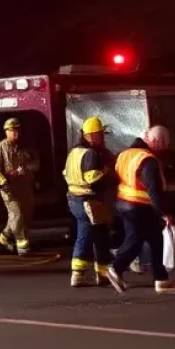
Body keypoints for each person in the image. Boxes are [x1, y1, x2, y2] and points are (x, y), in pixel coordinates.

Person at [107, 126, 175, 294]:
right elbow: (153, 189)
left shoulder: (125, 154)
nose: (165, 148)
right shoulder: (147, 159)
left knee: (156, 240)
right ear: (156, 141)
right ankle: (116, 268)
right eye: (163, 144)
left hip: (123, 203)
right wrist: (164, 212)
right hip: (139, 206)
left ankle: (161, 279)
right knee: (136, 240)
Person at [63, 116, 116, 288]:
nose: (103, 138)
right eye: (100, 134)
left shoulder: (74, 152)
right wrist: (108, 175)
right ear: (92, 135)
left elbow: (65, 173)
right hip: (87, 200)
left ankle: (104, 273)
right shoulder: (90, 154)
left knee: (100, 234)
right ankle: (78, 275)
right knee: (85, 235)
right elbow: (93, 179)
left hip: (74, 198)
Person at [0, 117, 39, 256]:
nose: (15, 133)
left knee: (27, 214)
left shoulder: (23, 147)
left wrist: (32, 176)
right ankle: (22, 243)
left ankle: (4, 237)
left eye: (17, 130)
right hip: (9, 188)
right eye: (12, 130)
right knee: (16, 214)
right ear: (6, 132)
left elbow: (34, 163)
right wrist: (3, 183)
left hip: (24, 186)